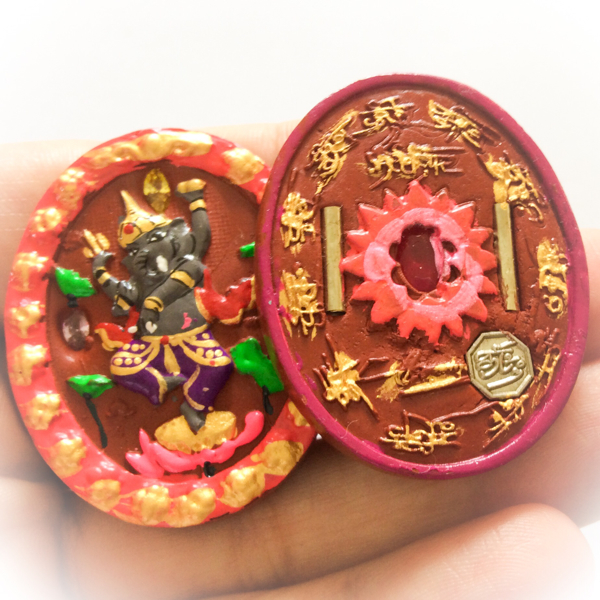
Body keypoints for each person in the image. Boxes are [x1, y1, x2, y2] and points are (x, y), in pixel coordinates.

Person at [0, 123, 597, 600]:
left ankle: (196, 414)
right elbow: (129, 293)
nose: (149, 255)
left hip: (195, 338)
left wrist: (195, 207)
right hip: (153, 352)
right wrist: (104, 277)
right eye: (139, 252)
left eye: (158, 242)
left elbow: (196, 252)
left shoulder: (183, 267)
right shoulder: (140, 276)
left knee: (212, 372)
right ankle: (172, 412)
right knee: (136, 375)